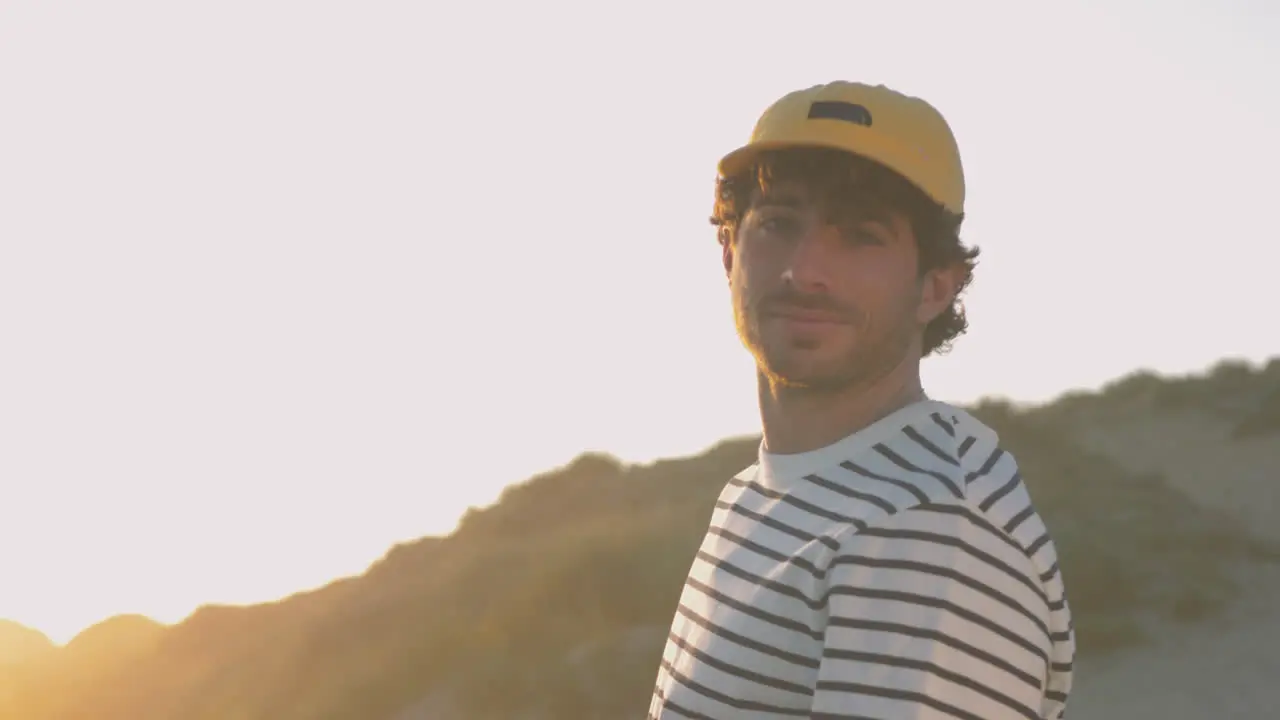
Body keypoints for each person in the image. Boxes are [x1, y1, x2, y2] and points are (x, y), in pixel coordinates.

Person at [647, 81, 1075, 719]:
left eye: (860, 236)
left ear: (935, 287)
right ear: (730, 250)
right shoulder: (754, 493)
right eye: (778, 224)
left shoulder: (928, 528)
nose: (805, 269)